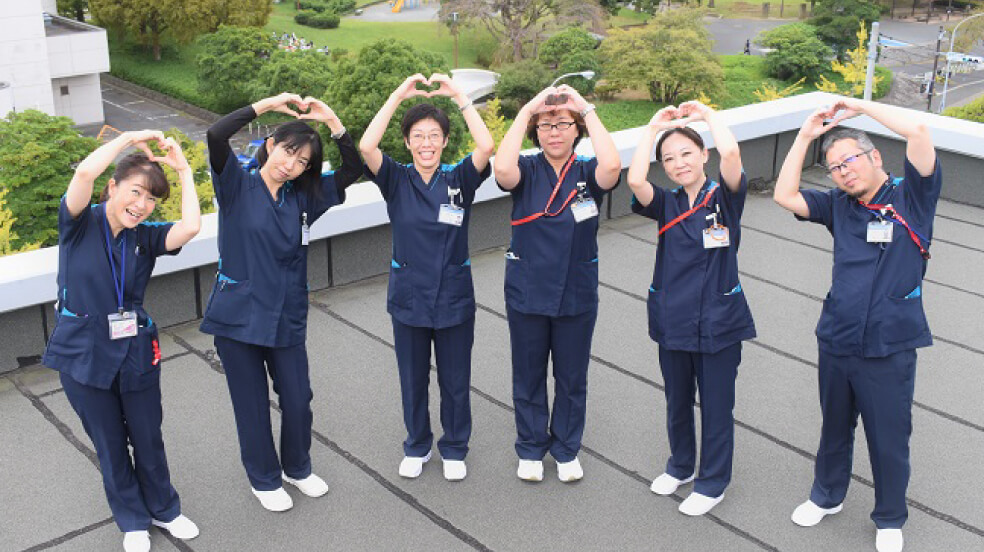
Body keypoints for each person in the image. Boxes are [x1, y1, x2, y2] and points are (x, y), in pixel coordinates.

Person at [773, 98, 941, 552]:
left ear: (874, 157)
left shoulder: (914, 197)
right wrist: (806, 136)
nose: (843, 172)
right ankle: (827, 495)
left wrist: (861, 109)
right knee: (834, 425)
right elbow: (785, 195)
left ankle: (889, 517)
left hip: (889, 344)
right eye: (833, 167)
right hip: (838, 337)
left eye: (849, 160)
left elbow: (920, 134)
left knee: (888, 436)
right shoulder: (839, 206)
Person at [200, 93, 362, 512]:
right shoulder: (236, 184)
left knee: (297, 397)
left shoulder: (304, 198)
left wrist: (333, 121)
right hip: (237, 319)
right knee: (251, 403)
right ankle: (264, 478)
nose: (292, 164)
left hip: (286, 315)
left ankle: (297, 466)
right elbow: (215, 134)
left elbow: (353, 169)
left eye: (303, 161)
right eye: (289, 151)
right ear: (271, 145)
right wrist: (268, 105)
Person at [42, 131, 202, 552]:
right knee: (110, 443)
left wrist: (184, 171)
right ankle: (132, 519)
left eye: (151, 199)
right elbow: (85, 171)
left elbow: (190, 227)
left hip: (134, 349)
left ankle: (165, 510)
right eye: (135, 193)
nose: (141, 206)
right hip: (83, 352)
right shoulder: (78, 223)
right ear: (112, 187)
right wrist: (130, 138)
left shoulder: (143, 236)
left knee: (148, 435)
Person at [360, 73, 495, 481]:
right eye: (417, 135)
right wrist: (399, 93)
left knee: (456, 379)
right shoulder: (395, 179)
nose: (426, 143)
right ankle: (417, 445)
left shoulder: (459, 179)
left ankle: (454, 447)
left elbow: (487, 146)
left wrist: (458, 96)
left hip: (453, 295)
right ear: (407, 142)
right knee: (412, 378)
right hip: (409, 297)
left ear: (444, 140)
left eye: (434, 135)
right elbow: (366, 146)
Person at [625, 102, 756, 516]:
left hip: (719, 320)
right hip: (673, 318)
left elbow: (733, 156)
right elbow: (634, 179)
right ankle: (680, 466)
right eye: (669, 159)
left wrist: (708, 117)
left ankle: (712, 481)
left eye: (687, 153)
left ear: (704, 155)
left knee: (717, 405)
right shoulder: (665, 203)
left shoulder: (726, 199)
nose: (678, 163)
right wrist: (652, 129)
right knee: (676, 400)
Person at [493, 84, 621, 482]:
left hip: (576, 290)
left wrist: (586, 108)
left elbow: (614, 167)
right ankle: (530, 448)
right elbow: (501, 170)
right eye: (545, 126)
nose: (554, 132)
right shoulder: (526, 170)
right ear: (535, 133)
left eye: (563, 124)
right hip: (527, 289)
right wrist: (527, 109)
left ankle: (566, 449)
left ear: (576, 130)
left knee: (571, 376)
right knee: (528, 373)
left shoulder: (586, 171)